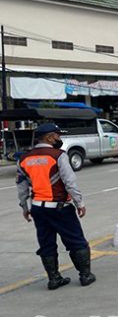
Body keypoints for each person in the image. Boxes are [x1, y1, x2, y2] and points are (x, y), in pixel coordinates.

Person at [16, 123, 96, 289]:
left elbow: (22, 187)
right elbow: (70, 182)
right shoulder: (58, 155)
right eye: (57, 136)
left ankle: (54, 279)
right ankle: (85, 275)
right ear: (49, 137)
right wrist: (79, 202)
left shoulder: (24, 159)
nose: (59, 139)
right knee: (76, 241)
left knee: (46, 243)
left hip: (38, 208)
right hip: (60, 208)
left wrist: (25, 208)